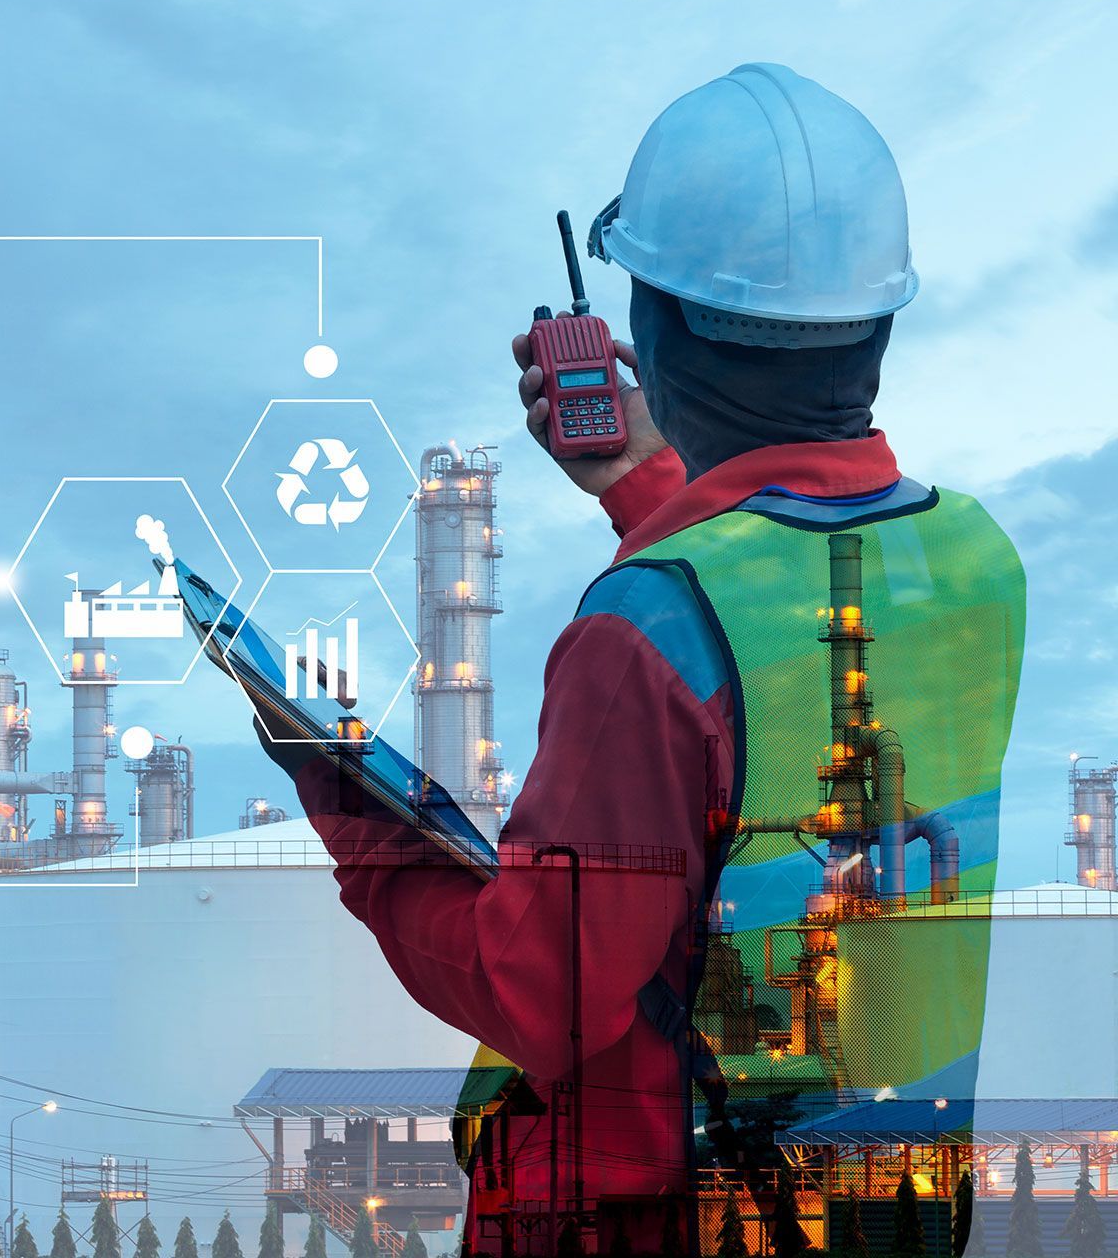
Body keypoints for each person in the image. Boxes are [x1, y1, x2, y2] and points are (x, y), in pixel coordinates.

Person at [258, 64, 1024, 1255]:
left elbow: (540, 995)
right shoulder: (979, 564)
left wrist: (348, 810)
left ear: (652, 331)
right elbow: (793, 623)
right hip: (882, 1207)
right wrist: (655, 493)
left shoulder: (640, 637)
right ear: (875, 321)